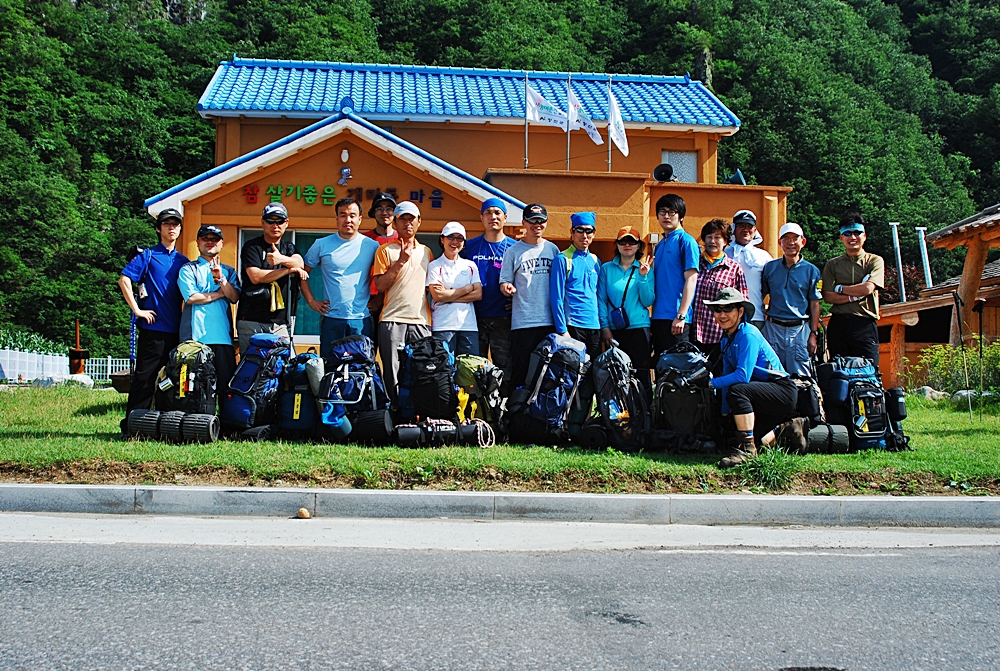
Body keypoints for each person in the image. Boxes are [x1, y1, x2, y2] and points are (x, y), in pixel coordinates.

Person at [703, 287, 799, 468]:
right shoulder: (727, 339)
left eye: (728, 309)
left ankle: (748, 452)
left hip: (781, 390)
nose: (722, 314)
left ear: (740, 311)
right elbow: (727, 376)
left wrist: (709, 383)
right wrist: (725, 416)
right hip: (758, 393)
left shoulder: (748, 334)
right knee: (747, 438)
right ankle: (789, 429)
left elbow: (742, 376)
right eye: (717, 310)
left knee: (737, 390)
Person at [117, 208, 190, 436]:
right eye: (167, 224)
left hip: (177, 330)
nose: (172, 228)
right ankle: (132, 427)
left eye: (176, 224)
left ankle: (162, 427)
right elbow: (124, 279)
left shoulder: (183, 261)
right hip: (153, 329)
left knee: (171, 380)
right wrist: (138, 310)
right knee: (144, 379)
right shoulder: (147, 256)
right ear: (158, 228)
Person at [301, 198, 380, 360]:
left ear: (360, 219)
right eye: (342, 215)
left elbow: (383, 277)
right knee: (330, 367)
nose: (348, 220)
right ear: (336, 218)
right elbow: (302, 274)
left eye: (352, 215)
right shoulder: (321, 244)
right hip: (331, 320)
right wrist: (312, 302)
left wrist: (378, 300)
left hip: (361, 320)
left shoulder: (372, 246)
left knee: (362, 369)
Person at [372, 201, 434, 402]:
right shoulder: (384, 250)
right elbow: (380, 285)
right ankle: (393, 413)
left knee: (421, 370)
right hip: (392, 319)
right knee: (392, 372)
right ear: (396, 223)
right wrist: (401, 261)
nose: (407, 223)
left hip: (421, 322)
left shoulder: (427, 252)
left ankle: (417, 414)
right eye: (403, 219)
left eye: (411, 219)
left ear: (419, 222)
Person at [177, 225, 241, 406]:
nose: (210, 242)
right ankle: (195, 423)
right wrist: (221, 293)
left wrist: (221, 280)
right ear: (198, 242)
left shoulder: (228, 271)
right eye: (205, 238)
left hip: (223, 339)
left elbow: (235, 297)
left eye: (214, 239)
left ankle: (226, 425)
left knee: (225, 385)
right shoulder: (188, 269)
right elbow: (191, 297)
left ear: (221, 243)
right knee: (194, 385)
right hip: (194, 340)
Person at [499, 203, 559, 389]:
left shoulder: (553, 250)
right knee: (522, 372)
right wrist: (507, 287)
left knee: (548, 374)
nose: (537, 225)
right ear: (524, 223)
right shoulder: (513, 251)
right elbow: (504, 282)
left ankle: (544, 415)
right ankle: (519, 415)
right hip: (523, 322)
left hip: (550, 322)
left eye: (541, 221)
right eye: (533, 221)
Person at [236, 202, 307, 354]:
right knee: (252, 368)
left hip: (280, 323)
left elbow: (300, 263)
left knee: (281, 368)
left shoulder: (288, 247)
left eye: (280, 221)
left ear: (286, 223)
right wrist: (287, 270)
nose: (275, 225)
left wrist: (280, 259)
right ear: (263, 222)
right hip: (250, 320)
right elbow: (256, 277)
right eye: (270, 221)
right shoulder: (252, 246)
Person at [461, 198, 516, 388]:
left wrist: (516, 300)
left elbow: (526, 283)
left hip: (504, 318)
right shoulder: (469, 247)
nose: (493, 216)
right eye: (488, 213)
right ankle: (478, 412)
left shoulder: (514, 248)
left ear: (505, 217)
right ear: (481, 218)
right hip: (475, 318)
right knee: (475, 369)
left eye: (497, 212)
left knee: (505, 369)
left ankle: (504, 412)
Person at [821, 212, 885, 370]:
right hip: (838, 322)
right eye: (847, 233)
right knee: (838, 370)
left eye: (857, 233)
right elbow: (827, 296)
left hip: (864, 322)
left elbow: (868, 288)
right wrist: (853, 297)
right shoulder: (832, 264)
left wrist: (840, 289)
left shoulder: (874, 260)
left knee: (869, 369)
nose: (852, 237)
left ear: (864, 236)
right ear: (841, 238)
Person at [761, 223, 822, 377]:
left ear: (803, 242)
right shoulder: (769, 268)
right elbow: (759, 295)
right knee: (773, 374)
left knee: (801, 375)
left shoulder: (811, 271)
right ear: (780, 242)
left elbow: (815, 304)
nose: (791, 242)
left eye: (795, 238)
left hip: (800, 329)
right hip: (773, 328)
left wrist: (813, 334)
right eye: (786, 239)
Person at [597, 226, 654, 370]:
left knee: (641, 375)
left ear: (639, 245)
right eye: (623, 242)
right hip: (614, 330)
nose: (627, 245)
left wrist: (643, 277)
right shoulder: (606, 268)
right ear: (617, 244)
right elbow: (601, 300)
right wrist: (604, 327)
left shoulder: (646, 269)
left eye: (631, 242)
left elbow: (648, 301)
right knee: (616, 377)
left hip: (639, 329)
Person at [651, 193, 699, 357]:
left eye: (672, 212)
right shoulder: (659, 245)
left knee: (676, 372)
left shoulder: (687, 241)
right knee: (661, 369)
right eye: (662, 211)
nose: (666, 216)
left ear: (681, 216)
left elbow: (691, 279)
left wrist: (681, 315)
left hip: (677, 319)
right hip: (658, 317)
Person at [691, 219, 747, 357]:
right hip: (694, 332)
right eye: (709, 237)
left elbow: (743, 301)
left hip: (720, 334)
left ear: (726, 241)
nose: (712, 241)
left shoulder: (734, 269)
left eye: (717, 237)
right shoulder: (695, 263)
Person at [550, 212, 602, 360]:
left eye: (589, 230)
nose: (584, 235)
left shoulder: (596, 260)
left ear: (594, 233)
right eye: (579, 230)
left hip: (594, 326)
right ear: (572, 232)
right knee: (574, 376)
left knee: (594, 374)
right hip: (572, 326)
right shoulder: (562, 259)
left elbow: (599, 296)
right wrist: (562, 330)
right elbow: (556, 298)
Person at [426, 221, 482, 356]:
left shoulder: (470, 265)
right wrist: (466, 289)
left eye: (459, 238)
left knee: (469, 370)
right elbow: (438, 296)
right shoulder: (434, 266)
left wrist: (449, 295)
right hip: (442, 325)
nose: (455, 242)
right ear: (442, 239)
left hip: (468, 325)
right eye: (451, 237)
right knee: (444, 369)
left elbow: (478, 294)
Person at [725, 209, 772, 331]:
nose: (745, 229)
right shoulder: (724, 254)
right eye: (741, 226)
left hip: (756, 316)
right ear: (734, 229)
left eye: (749, 226)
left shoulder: (764, 256)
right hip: (726, 316)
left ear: (755, 230)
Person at [364, 192, 399, 345]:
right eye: (379, 208)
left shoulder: (403, 239)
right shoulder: (364, 240)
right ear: (373, 213)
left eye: (389, 208)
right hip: (368, 305)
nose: (384, 212)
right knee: (367, 351)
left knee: (394, 355)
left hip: (395, 305)